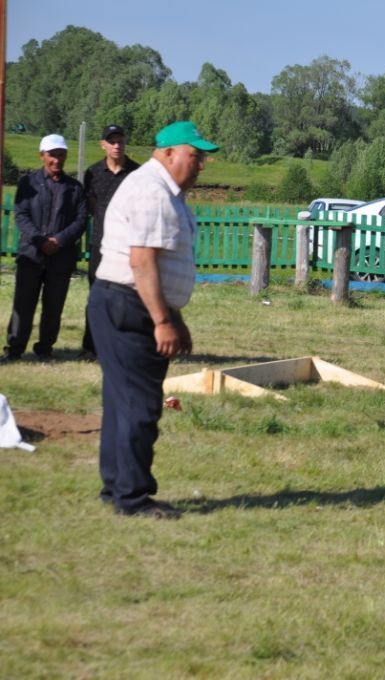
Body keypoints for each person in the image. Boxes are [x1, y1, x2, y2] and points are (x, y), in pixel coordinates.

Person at [87, 121, 219, 519]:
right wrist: (162, 321)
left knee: (123, 402)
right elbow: (142, 261)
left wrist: (174, 317)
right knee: (139, 407)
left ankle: (116, 487)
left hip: (131, 302)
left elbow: (160, 262)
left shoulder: (166, 191)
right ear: (167, 154)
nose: (200, 165)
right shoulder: (150, 190)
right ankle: (133, 497)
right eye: (195, 156)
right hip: (129, 305)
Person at [2, 134, 87, 362]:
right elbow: (21, 214)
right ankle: (15, 348)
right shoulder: (27, 183)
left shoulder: (75, 188)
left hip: (61, 256)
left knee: (54, 305)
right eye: (52, 155)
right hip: (31, 254)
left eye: (61, 155)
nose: (56, 160)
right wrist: (40, 240)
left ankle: (45, 348)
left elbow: (80, 221)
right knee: (24, 303)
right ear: (42, 156)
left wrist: (58, 241)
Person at [80, 124, 140, 360]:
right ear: (103, 145)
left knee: (126, 298)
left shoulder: (136, 173)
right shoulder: (93, 173)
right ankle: (90, 348)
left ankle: (122, 347)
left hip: (128, 247)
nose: (116, 145)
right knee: (96, 297)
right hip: (100, 244)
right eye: (111, 141)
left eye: (120, 141)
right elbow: (91, 205)